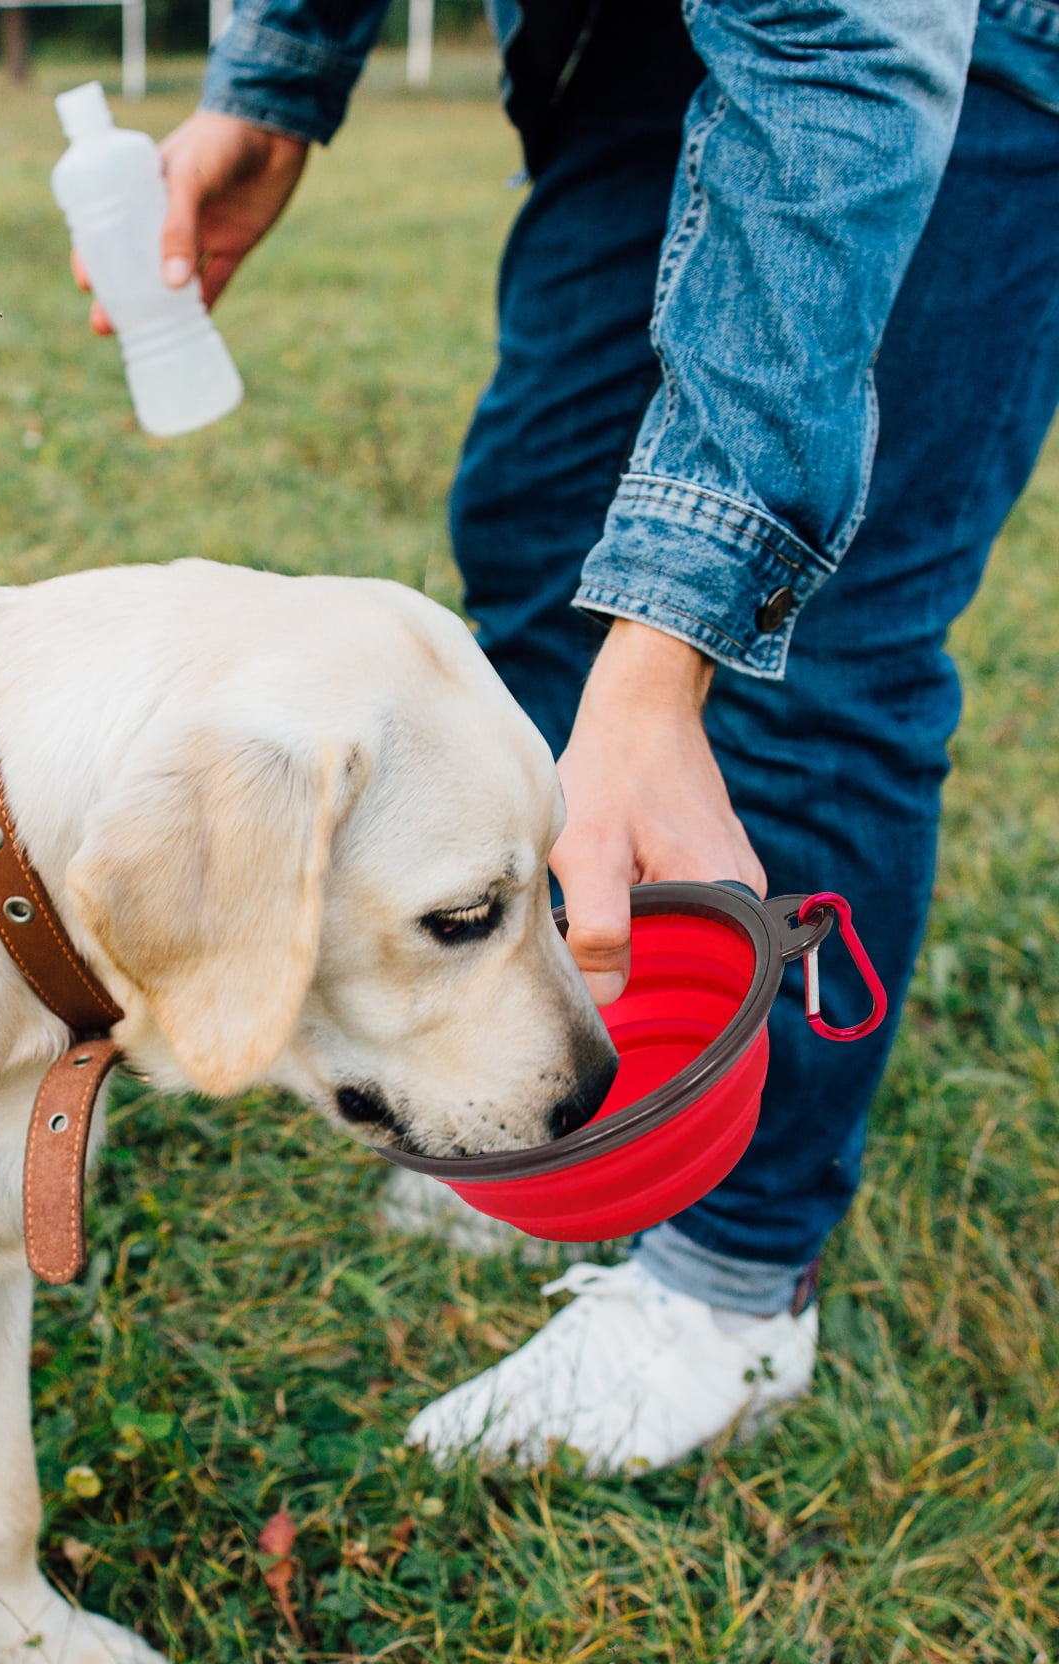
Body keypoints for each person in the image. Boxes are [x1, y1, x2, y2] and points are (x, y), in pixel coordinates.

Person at [76, 0, 1059, 1473]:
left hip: (931, 53)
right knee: (539, 532)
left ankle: (731, 1290)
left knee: (811, 624)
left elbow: (846, 55)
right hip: (628, 42)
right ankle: (567, 1133)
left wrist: (663, 671)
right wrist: (275, 80)